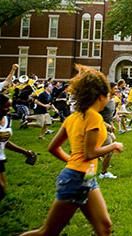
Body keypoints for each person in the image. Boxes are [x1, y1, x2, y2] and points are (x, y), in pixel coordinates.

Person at [22, 65, 124, 236]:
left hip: (87, 177)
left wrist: (72, 161)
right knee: (47, 232)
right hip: (76, 179)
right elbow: (89, 153)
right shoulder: (93, 117)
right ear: (100, 97)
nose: (109, 99)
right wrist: (113, 146)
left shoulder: (73, 117)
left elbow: (53, 148)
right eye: (108, 95)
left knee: (104, 226)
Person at [0, 93, 36, 201]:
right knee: (0, 188)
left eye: (10, 106)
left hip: (1, 159)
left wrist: (25, 152)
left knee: (2, 191)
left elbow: (5, 142)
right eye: (6, 106)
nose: (9, 109)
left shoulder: (7, 119)